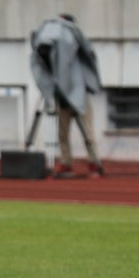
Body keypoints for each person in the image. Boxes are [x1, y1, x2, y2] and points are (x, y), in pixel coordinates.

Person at [31, 13, 104, 178]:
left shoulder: (75, 42)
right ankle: (66, 162)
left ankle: (93, 161)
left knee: (87, 130)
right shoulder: (52, 42)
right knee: (63, 132)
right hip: (61, 94)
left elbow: (88, 56)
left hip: (79, 93)